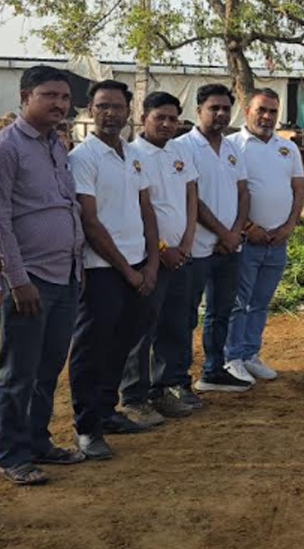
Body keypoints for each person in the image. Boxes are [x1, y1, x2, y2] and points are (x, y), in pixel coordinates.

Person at [0, 65, 88, 487]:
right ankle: (11, 455)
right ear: (25, 97)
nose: (59, 104)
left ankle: (37, 440)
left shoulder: (56, 145)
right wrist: (16, 279)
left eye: (64, 98)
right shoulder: (3, 148)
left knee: (48, 368)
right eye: (49, 95)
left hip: (65, 275)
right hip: (29, 279)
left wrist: (76, 266)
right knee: (19, 372)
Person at [68, 79, 160, 459]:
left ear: (128, 111)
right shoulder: (82, 157)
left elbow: (146, 208)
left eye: (117, 106)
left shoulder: (132, 154)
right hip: (102, 268)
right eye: (102, 106)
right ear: (90, 110)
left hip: (138, 266)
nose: (110, 113)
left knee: (123, 342)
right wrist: (128, 270)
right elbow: (89, 221)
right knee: (92, 349)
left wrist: (151, 263)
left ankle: (107, 411)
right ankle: (87, 427)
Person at [123, 91, 200, 420]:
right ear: (144, 119)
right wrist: (163, 250)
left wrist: (187, 242)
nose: (167, 124)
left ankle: (164, 388)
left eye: (173, 118)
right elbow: (137, 210)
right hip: (150, 259)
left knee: (175, 325)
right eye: (160, 118)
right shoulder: (131, 155)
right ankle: (134, 396)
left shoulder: (180, 152)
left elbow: (191, 196)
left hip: (181, 257)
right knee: (141, 328)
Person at [224, 88, 304, 382]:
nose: (267, 117)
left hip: (277, 241)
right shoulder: (232, 146)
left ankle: (249, 354)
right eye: (261, 110)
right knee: (239, 302)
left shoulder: (288, 148)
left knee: (260, 302)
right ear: (247, 111)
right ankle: (231, 358)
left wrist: (289, 225)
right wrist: (248, 227)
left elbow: (299, 189)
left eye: (272, 111)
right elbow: (227, 192)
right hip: (246, 241)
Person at [178, 84, 251, 392]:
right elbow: (191, 198)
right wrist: (224, 233)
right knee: (185, 315)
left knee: (221, 311)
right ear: (198, 110)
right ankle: (177, 379)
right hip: (195, 248)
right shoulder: (183, 147)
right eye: (214, 108)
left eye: (225, 108)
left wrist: (235, 233)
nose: (221, 114)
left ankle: (213, 370)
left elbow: (243, 192)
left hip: (229, 248)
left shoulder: (232, 148)